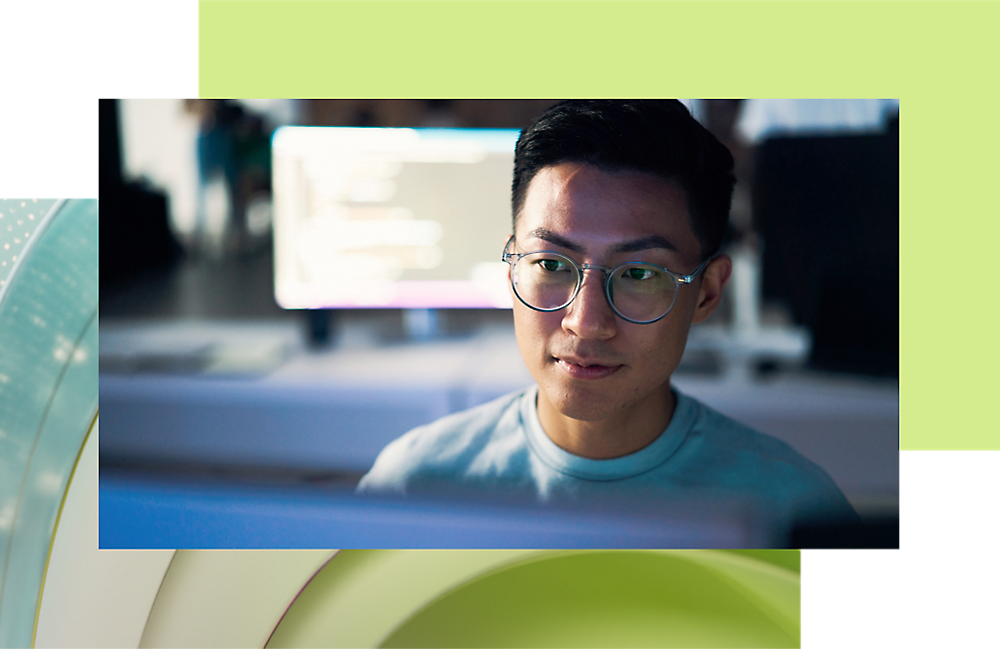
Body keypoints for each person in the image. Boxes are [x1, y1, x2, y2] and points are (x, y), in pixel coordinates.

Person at [357, 100, 857, 535]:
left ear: (706, 293)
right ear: (511, 268)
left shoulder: (792, 509)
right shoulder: (414, 488)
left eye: (639, 274)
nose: (586, 321)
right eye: (551, 265)